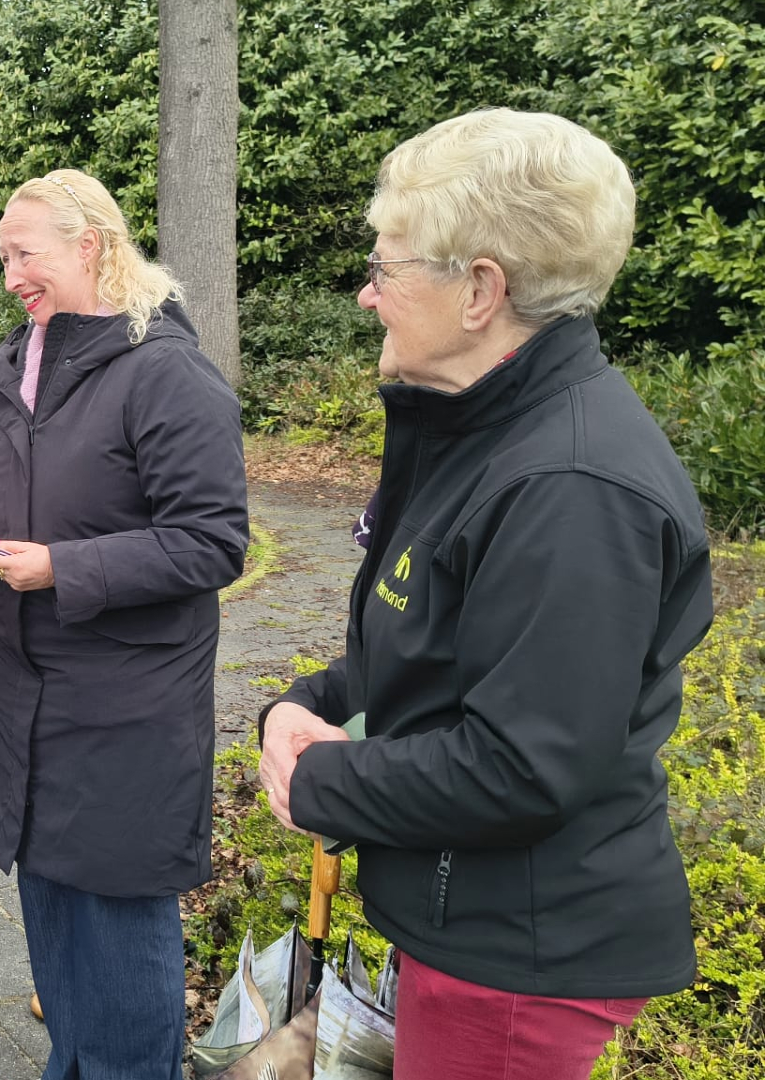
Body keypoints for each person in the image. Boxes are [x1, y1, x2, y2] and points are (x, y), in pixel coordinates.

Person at [257, 108, 713, 1080]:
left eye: (384, 267)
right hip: (479, 920)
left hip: (519, 965)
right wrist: (310, 705)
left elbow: (523, 766)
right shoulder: (484, 429)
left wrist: (323, 781)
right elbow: (438, 636)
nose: (366, 296)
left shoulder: (570, 486)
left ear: (480, 290)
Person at [0, 168, 249, 1080]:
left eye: (25, 254)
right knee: (52, 903)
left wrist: (64, 567)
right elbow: (5, 484)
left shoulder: (165, 372)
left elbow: (214, 542)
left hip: (126, 701)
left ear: (90, 246)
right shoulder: (16, 367)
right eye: (4, 259)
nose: (12, 275)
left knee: (119, 918)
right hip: (26, 687)